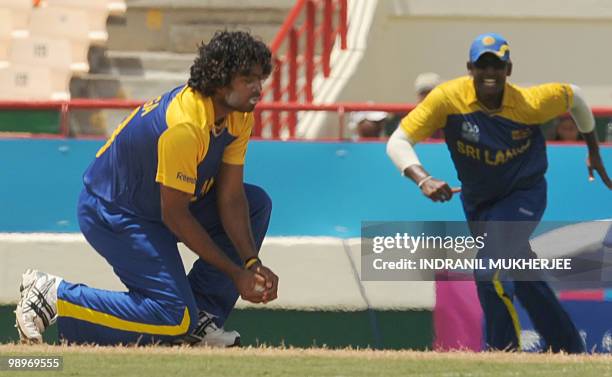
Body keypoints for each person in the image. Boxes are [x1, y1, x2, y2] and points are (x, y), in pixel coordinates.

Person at [15, 30, 279, 346]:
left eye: (260, 79)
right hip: (113, 210)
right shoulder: (184, 126)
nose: (258, 89)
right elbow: (176, 216)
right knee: (173, 315)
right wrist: (236, 274)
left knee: (256, 204)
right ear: (221, 80)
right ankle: (54, 295)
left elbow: (232, 198)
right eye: (248, 79)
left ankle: (200, 319)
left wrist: (251, 263)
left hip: (158, 205)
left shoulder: (237, 115)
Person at [386, 32, 612, 352]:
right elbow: (398, 141)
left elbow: (574, 96)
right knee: (526, 280)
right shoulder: (447, 99)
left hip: (524, 195)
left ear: (509, 69)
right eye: (483, 65)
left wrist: (593, 150)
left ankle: (502, 353)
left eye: (497, 65)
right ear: (470, 68)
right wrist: (423, 179)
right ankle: (570, 349)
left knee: (489, 270)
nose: (490, 73)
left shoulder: (530, 102)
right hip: (478, 202)